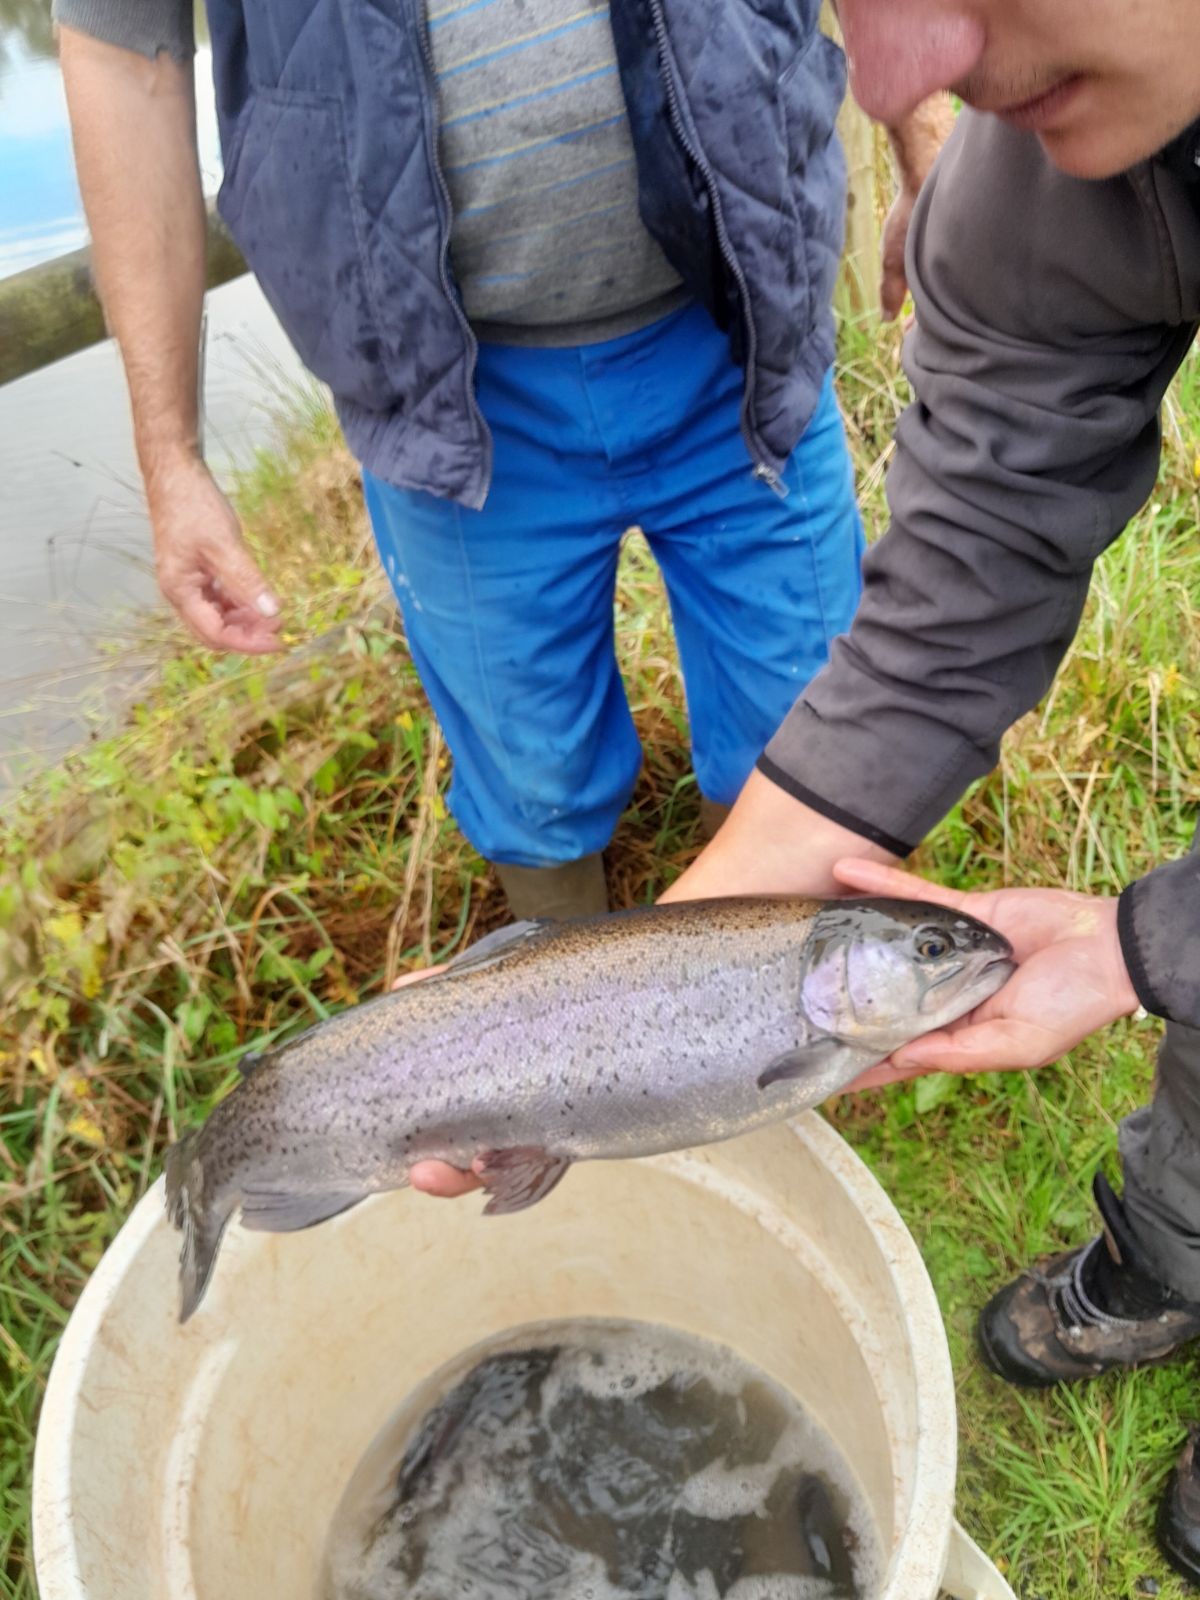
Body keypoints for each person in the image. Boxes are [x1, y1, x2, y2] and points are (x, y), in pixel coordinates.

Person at [408, 0, 1200, 1580]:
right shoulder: (1027, 195)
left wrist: (1148, 941)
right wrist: (597, 1000)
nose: (898, 73)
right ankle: (1174, 1248)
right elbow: (960, 586)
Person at [55, 0, 949, 923]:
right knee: (533, 792)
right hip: (445, 399)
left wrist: (929, 154)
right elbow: (126, 58)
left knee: (807, 743)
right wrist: (170, 458)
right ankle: (565, 1033)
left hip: (741, 331)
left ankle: (776, 1010)